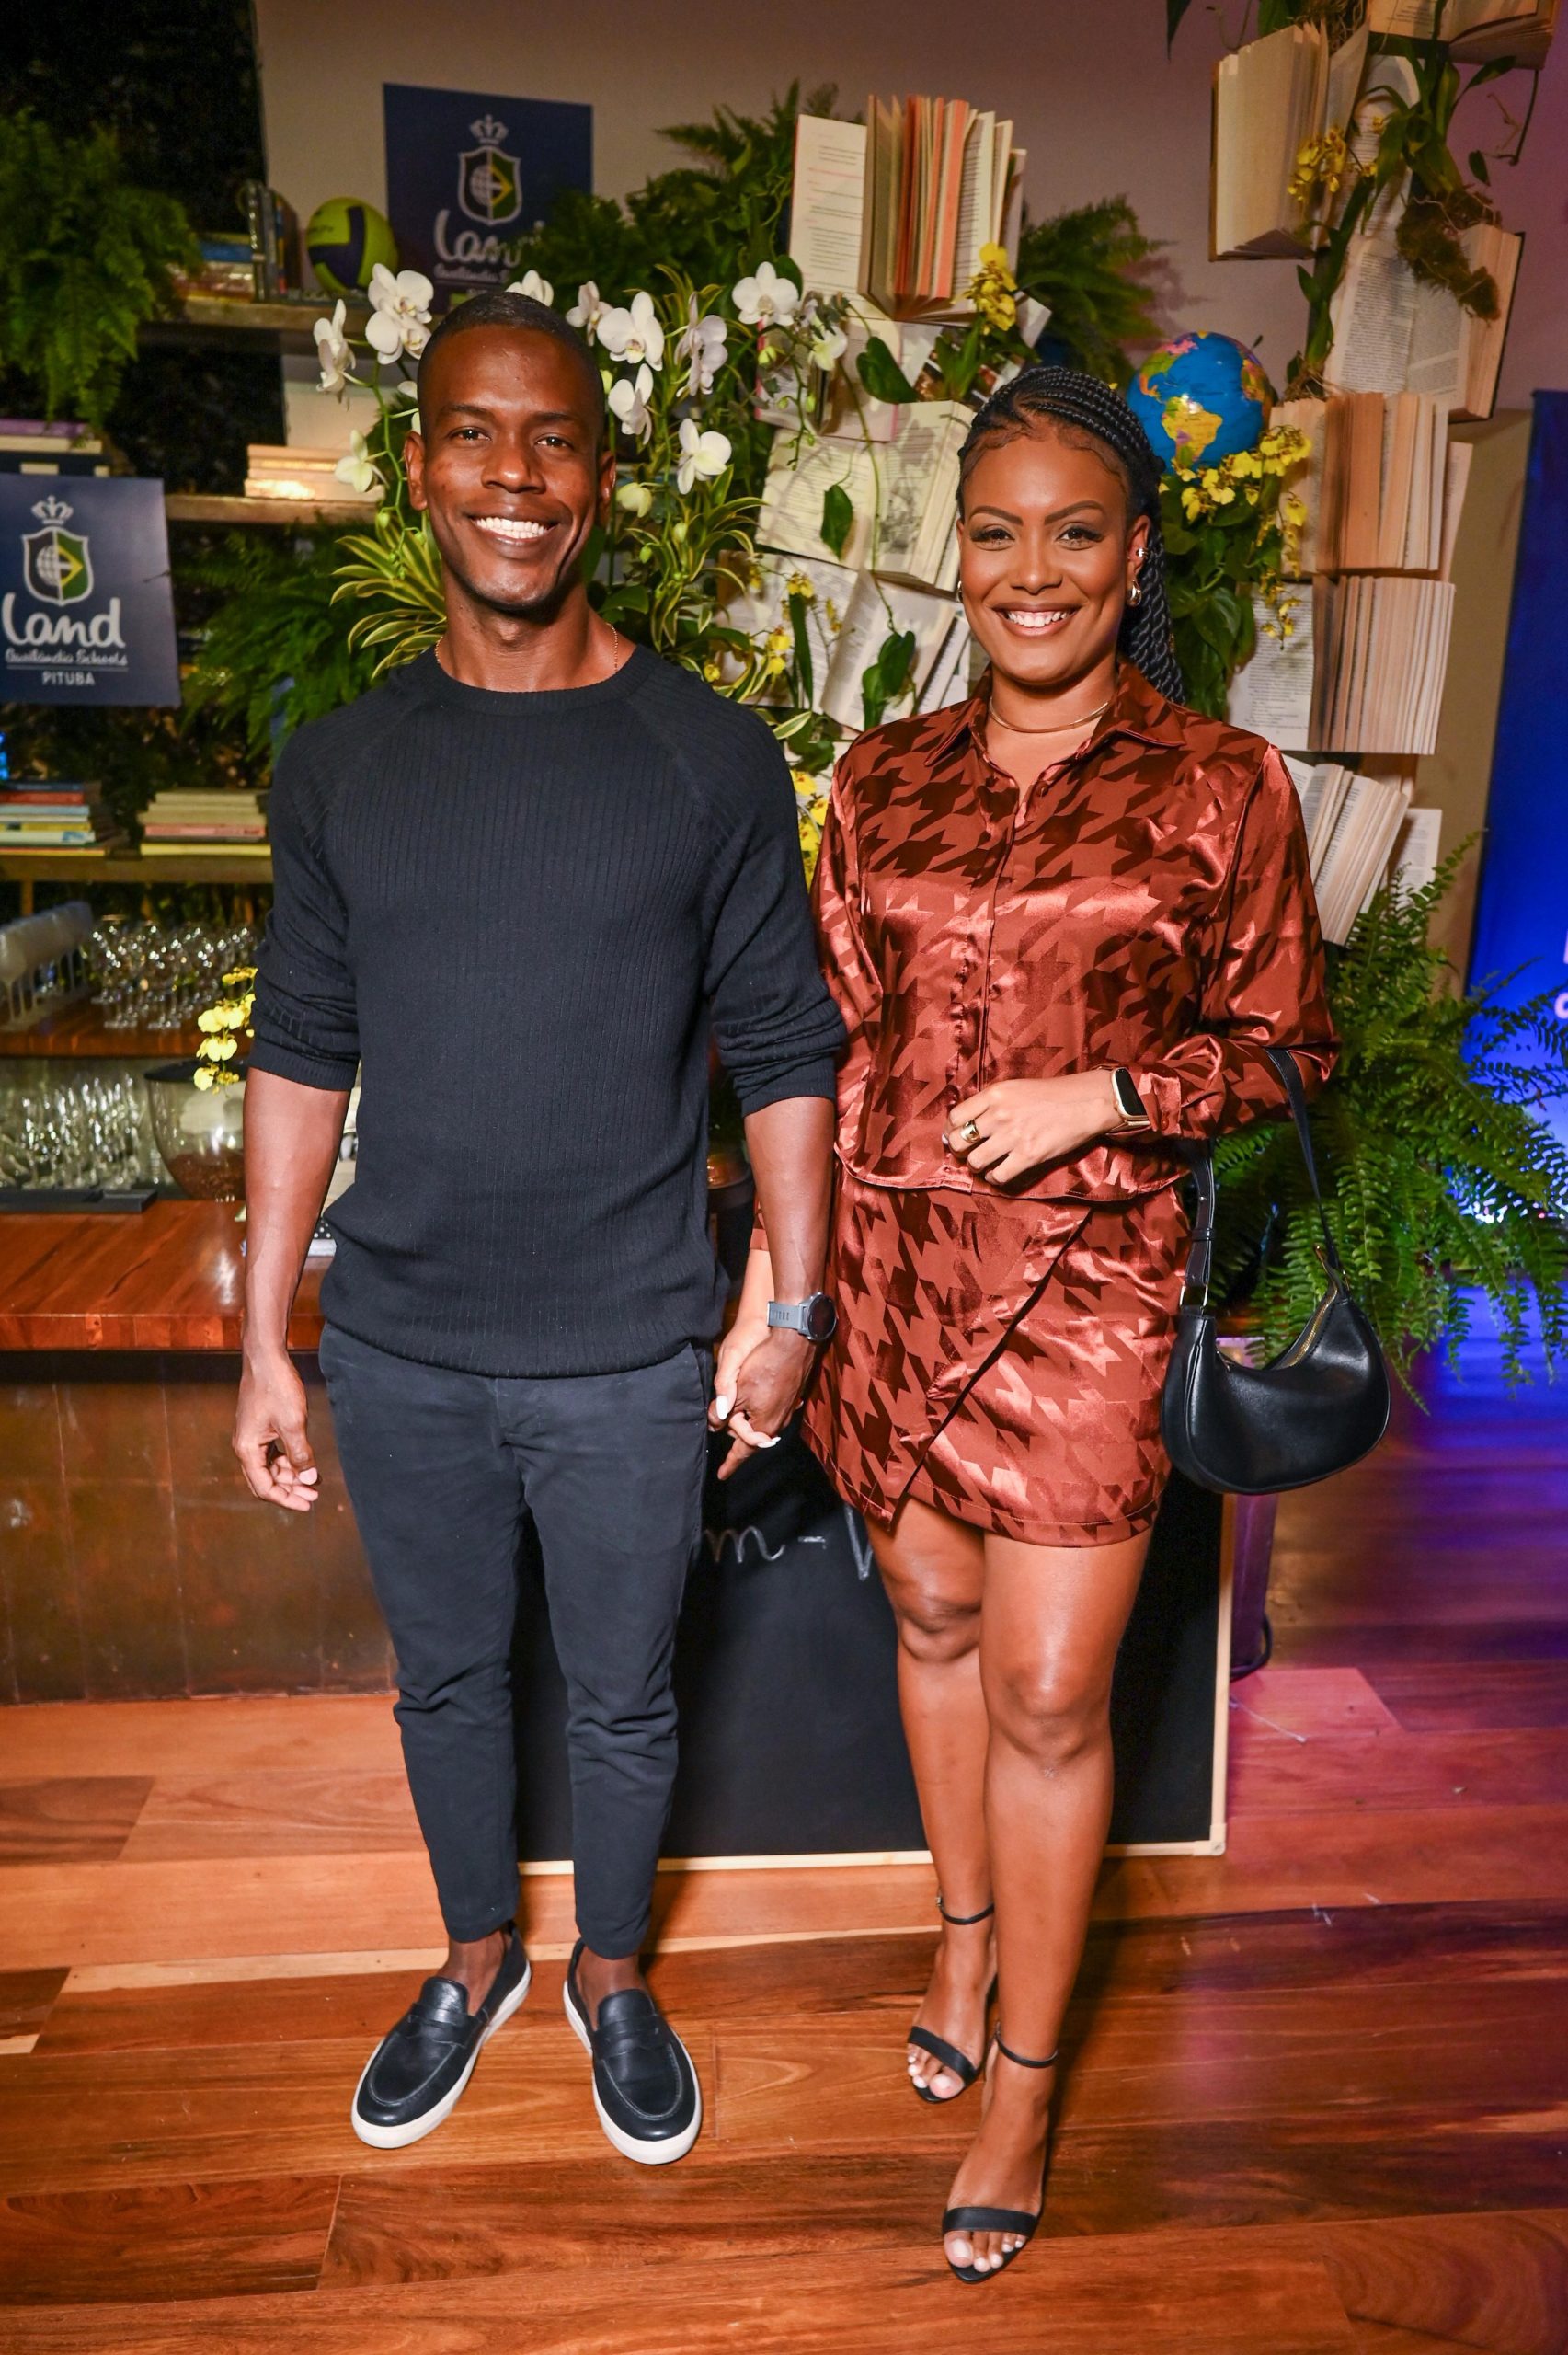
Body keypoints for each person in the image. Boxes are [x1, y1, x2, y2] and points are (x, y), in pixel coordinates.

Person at [718, 367, 1335, 2278]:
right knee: (927, 1621)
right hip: (893, 1283)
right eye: (996, 533)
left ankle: (1026, 2087)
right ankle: (962, 1935)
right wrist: (777, 1296)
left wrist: (1108, 1094)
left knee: (1053, 1694)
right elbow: (814, 1053)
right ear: (956, 553)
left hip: (1091, 1291)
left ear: (1135, 553)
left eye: (1075, 531)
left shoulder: (1222, 782)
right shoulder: (877, 778)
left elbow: (1289, 1050)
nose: (1033, 569)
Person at [235, 290, 842, 2165]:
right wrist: (262, 1334)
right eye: (475, 434)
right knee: (440, 1681)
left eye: (554, 437)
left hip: (626, 1347)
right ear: (418, 468)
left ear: (602, 474)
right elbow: (299, 1047)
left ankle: (612, 1974)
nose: (515, 474)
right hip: (402, 1341)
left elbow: (787, 1051)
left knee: (626, 1699)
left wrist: (792, 1311)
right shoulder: (342, 766)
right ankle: (473, 1955)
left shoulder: (705, 756)